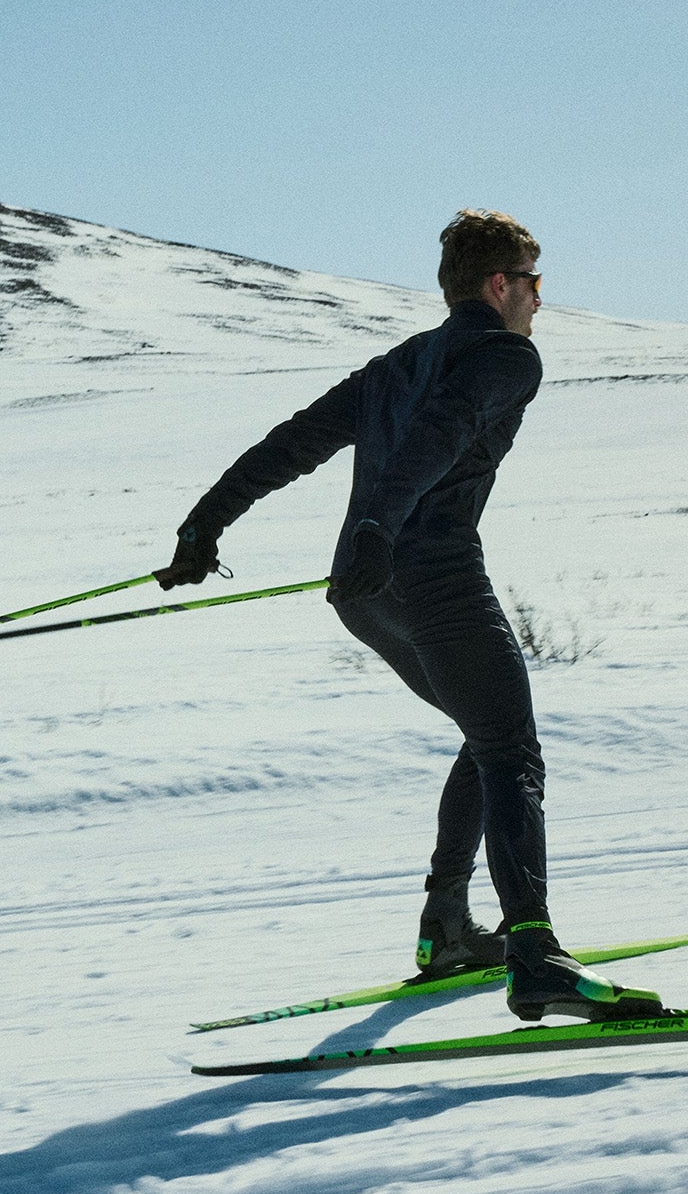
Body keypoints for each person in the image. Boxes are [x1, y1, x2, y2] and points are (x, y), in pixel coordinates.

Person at [157, 209, 660, 1022]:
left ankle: (448, 928)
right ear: (500, 285)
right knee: (511, 754)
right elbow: (443, 432)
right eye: (533, 281)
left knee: (483, 735)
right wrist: (378, 526)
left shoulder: (396, 364)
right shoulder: (506, 356)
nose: (540, 299)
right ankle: (533, 953)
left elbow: (288, 445)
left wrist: (202, 526)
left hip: (369, 595)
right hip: (431, 578)